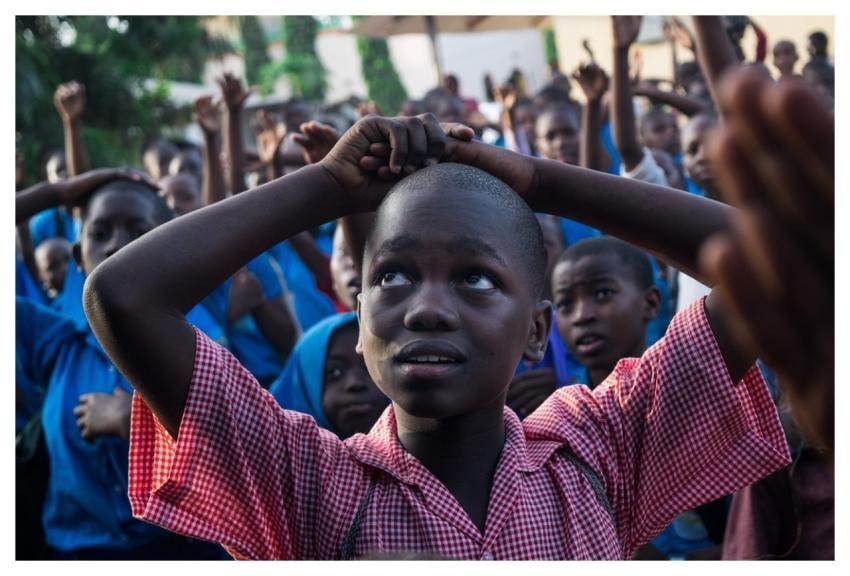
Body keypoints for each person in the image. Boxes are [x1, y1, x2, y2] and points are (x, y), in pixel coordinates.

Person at [85, 112, 789, 560]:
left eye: (476, 280)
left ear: (538, 331)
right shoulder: (308, 482)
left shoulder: (597, 454)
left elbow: (774, 256)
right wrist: (330, 186)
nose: (425, 309)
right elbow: (123, 296)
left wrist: (540, 181)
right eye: (391, 278)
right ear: (357, 324)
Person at [15, 169, 227, 559]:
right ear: (78, 258)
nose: (116, 246)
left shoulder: (203, 350)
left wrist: (135, 421)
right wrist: (56, 192)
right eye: (99, 234)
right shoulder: (54, 340)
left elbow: (238, 460)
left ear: (170, 247)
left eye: (137, 230)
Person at [269, 313, 388, 439]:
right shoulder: (281, 454)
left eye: (369, 367)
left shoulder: (407, 454)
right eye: (334, 372)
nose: (355, 383)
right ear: (305, 385)